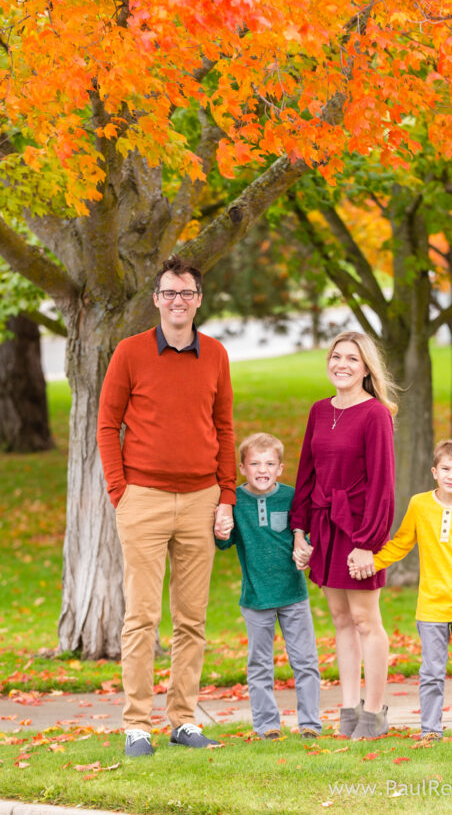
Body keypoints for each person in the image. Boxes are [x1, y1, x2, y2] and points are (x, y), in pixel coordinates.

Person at [97, 255, 236, 757]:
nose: (178, 301)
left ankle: (182, 720)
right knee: (141, 618)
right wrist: (120, 491)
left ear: (198, 300)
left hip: (201, 500)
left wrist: (227, 495)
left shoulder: (216, 354)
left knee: (192, 619)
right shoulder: (130, 352)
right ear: (156, 299)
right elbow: (107, 425)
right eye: (169, 293)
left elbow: (224, 428)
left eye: (187, 293)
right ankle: (136, 724)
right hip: (144, 499)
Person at [349, 438, 452, 743]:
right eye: (445, 468)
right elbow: (401, 543)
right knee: (431, 674)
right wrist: (372, 563)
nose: (451, 475)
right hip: (431, 609)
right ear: (434, 471)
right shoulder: (420, 505)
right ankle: (430, 731)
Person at [290, 331, 396, 740]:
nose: (343, 365)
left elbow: (383, 485)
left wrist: (368, 542)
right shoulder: (319, 410)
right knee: (340, 620)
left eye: (352, 359)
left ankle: (374, 714)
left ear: (366, 368)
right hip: (323, 527)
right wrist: (299, 531)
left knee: (367, 620)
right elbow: (306, 474)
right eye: (337, 357)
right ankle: (349, 711)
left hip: (357, 527)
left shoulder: (375, 414)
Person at [215, 432, 322, 740]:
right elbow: (224, 543)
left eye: (269, 464)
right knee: (260, 664)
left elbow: (308, 533)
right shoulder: (234, 501)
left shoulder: (291, 498)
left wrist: (307, 549)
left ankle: (310, 725)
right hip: (255, 598)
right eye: (254, 464)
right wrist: (220, 532)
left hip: (293, 595)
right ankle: (267, 726)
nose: (262, 470)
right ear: (242, 467)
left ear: (279, 468)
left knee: (305, 662)